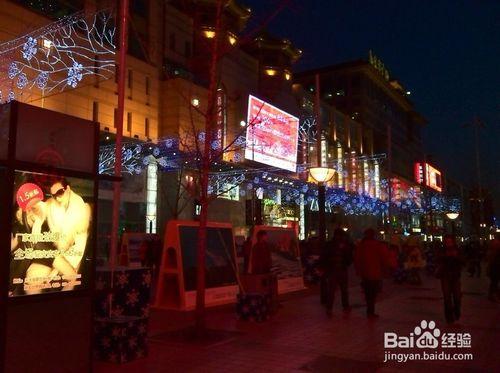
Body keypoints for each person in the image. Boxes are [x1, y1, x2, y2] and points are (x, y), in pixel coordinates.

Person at [46, 177, 91, 273]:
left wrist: (60, 265)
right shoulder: (52, 205)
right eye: (53, 195)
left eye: (60, 192)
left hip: (73, 256)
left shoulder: (79, 206)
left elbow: (76, 241)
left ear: (68, 189)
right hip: (57, 252)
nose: (57, 198)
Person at [354, 228, 395, 318]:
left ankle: (369, 310)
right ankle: (370, 311)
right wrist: (387, 269)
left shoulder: (361, 246)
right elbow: (384, 258)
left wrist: (358, 270)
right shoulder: (377, 245)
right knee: (373, 293)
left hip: (365, 272)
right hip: (375, 272)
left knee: (368, 292)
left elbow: (357, 259)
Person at [319, 228, 354, 317]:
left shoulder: (330, 245)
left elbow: (324, 256)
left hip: (334, 269)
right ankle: (342, 306)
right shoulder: (342, 245)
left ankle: (330, 308)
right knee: (341, 290)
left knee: (334, 290)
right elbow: (349, 257)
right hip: (338, 269)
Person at [435, 234, 463, 324]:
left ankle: (457, 311)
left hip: (455, 276)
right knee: (447, 297)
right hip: (445, 276)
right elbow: (437, 259)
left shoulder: (457, 249)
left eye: (450, 241)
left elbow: (463, 261)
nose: (448, 243)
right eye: (446, 242)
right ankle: (449, 317)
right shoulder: (442, 250)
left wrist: (456, 256)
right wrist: (445, 256)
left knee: (457, 297)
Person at [487, 233, 500, 301]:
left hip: (494, 265)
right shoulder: (496, 244)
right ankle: (493, 294)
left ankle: (492, 294)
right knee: (495, 281)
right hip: (495, 265)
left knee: (494, 281)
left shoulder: (493, 244)